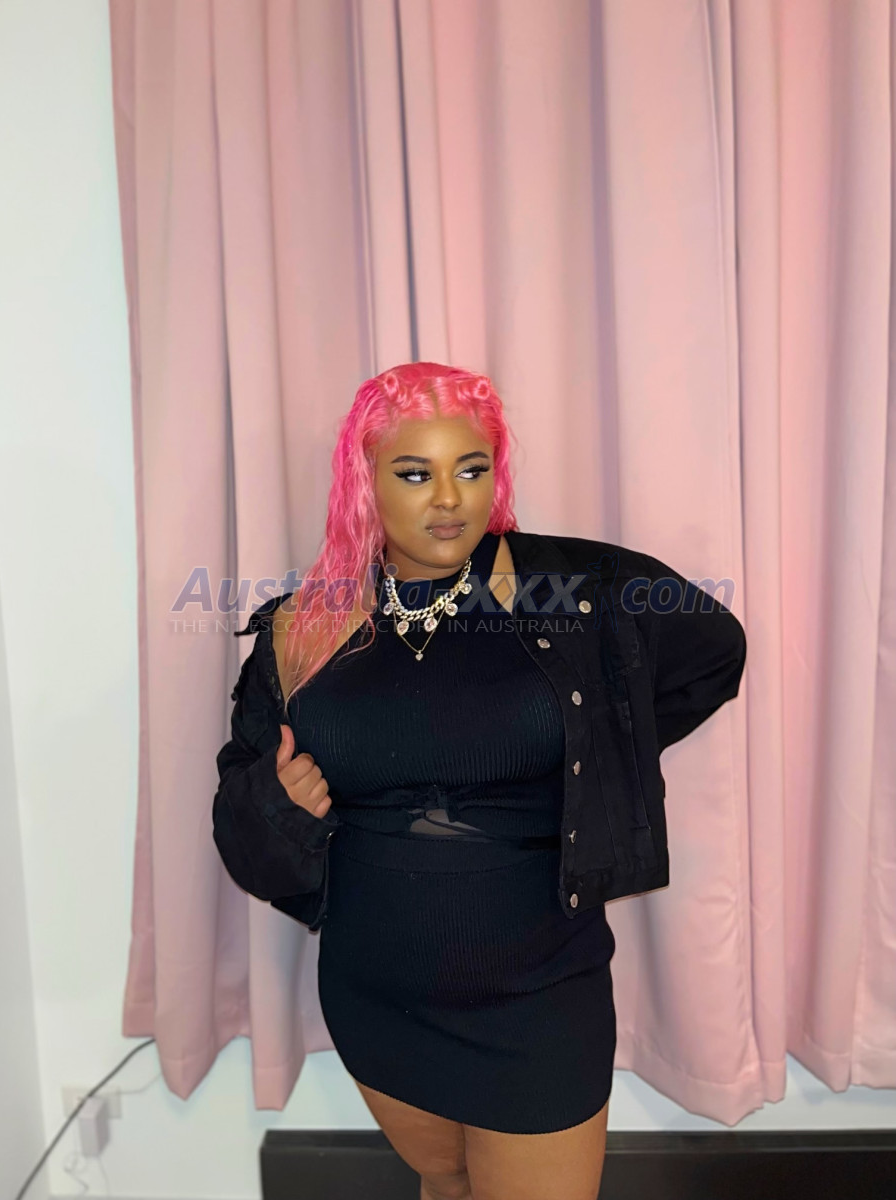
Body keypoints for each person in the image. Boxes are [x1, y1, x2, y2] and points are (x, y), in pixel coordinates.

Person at [212, 362, 747, 1200]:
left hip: (540, 993)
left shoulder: (571, 592)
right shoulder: (302, 626)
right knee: (448, 1184)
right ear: (364, 480)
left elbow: (715, 652)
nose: (449, 499)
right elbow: (239, 803)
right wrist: (280, 809)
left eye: (471, 468)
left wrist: (604, 746)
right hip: (376, 992)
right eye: (414, 473)